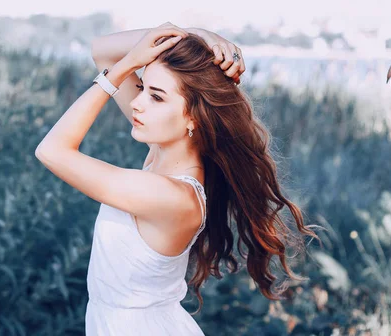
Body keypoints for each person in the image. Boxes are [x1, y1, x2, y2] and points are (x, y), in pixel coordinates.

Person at [35, 22, 319, 335]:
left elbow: (52, 151)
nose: (136, 102)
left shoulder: (170, 196)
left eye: (156, 97)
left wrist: (124, 68)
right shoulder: (164, 152)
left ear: (193, 117)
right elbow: (101, 50)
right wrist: (193, 35)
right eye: (142, 88)